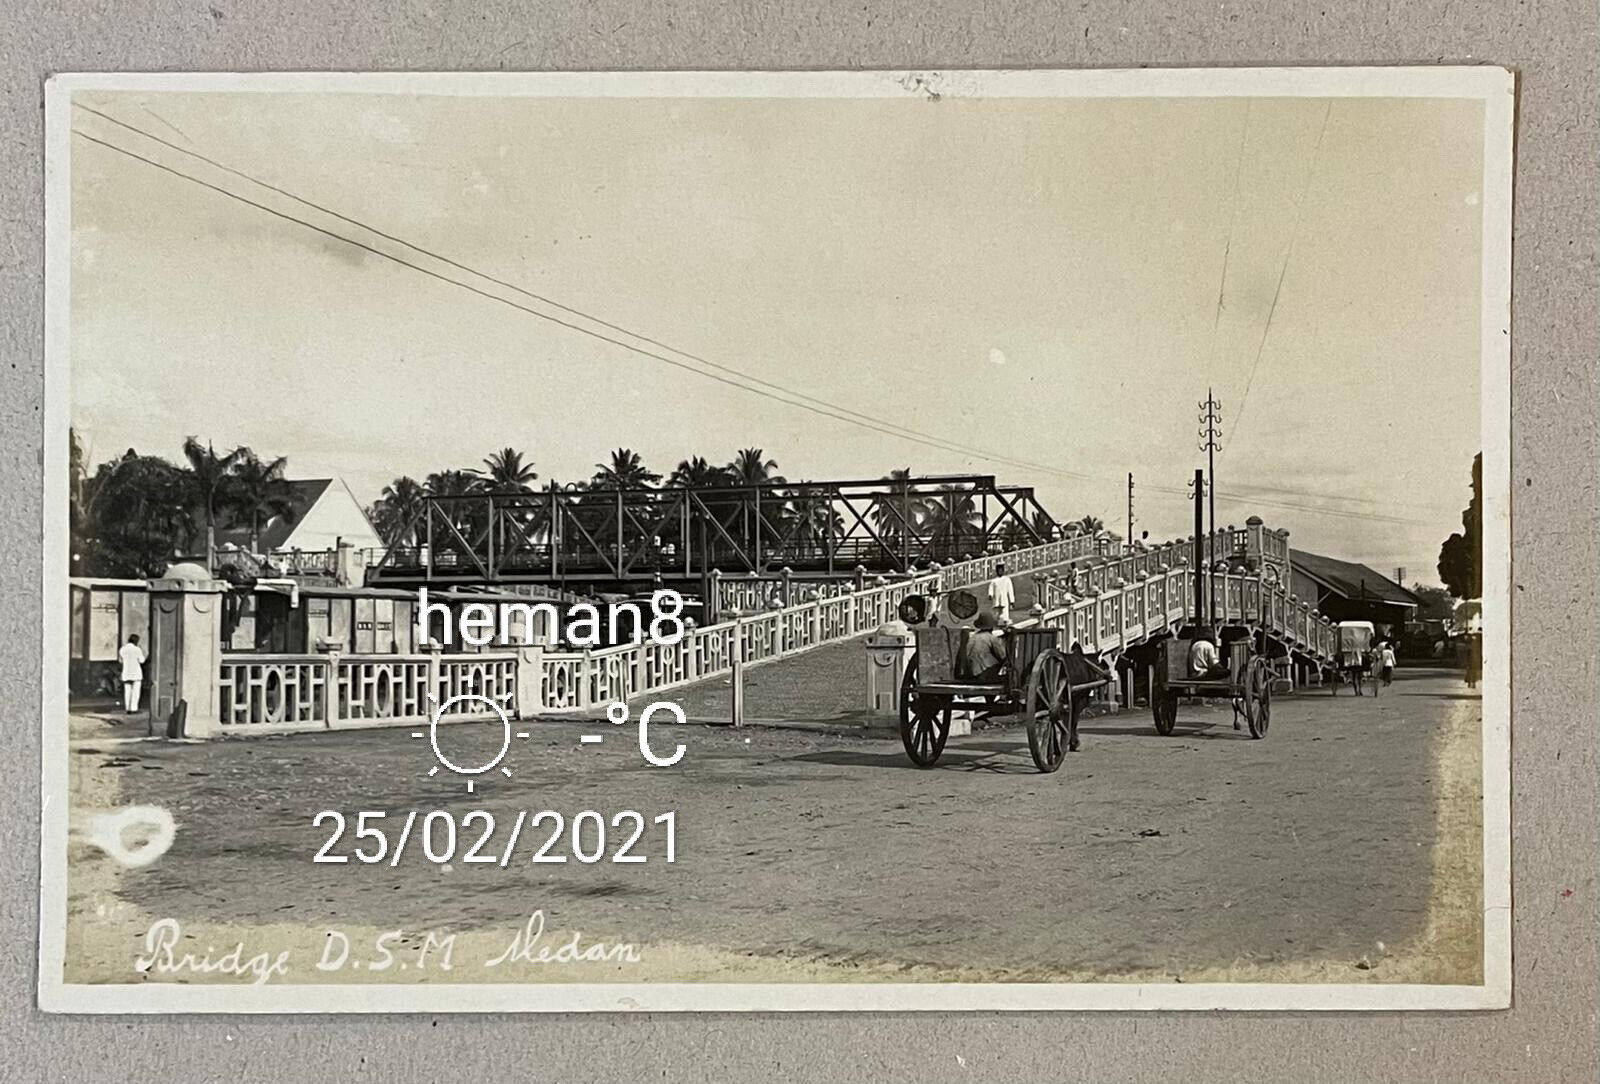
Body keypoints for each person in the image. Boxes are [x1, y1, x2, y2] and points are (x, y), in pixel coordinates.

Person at [963, 612, 1008, 684]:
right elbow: (1002, 655)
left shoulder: (973, 637)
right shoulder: (991, 638)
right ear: (991, 626)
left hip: (970, 673)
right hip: (984, 674)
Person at [118, 633, 147, 714]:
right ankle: (134, 708)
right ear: (136, 641)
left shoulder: (122, 649)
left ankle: (128, 708)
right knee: (136, 692)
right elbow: (142, 661)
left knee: (127, 692)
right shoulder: (137, 649)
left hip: (126, 673)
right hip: (136, 673)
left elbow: (120, 661)